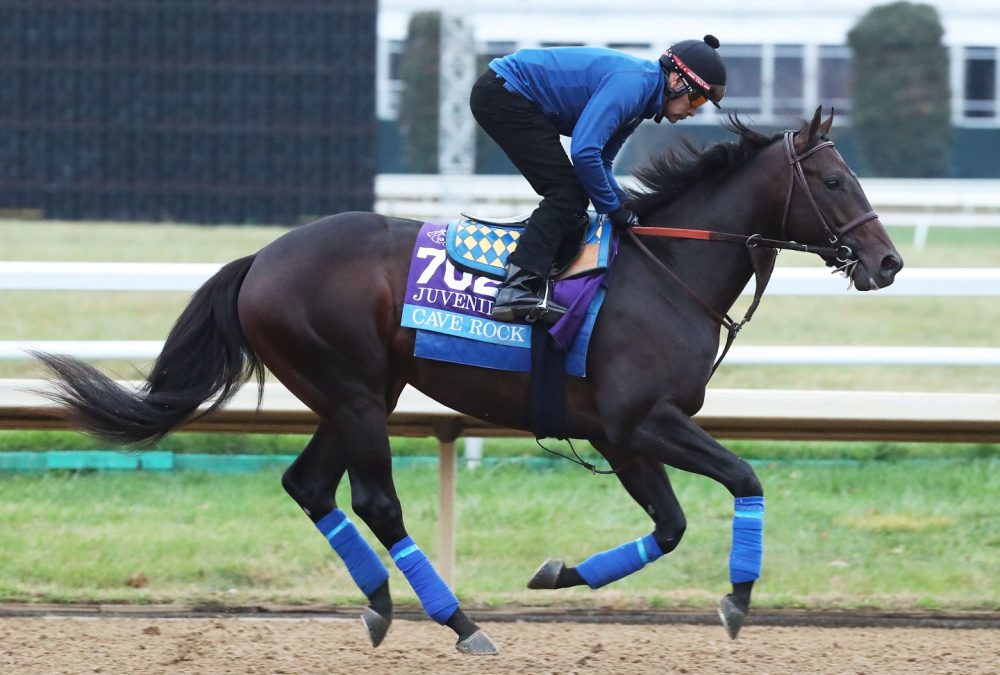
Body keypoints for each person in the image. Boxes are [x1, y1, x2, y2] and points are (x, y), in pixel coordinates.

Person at [470, 35, 727, 323]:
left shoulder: (643, 101)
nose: (695, 110)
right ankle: (516, 289)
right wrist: (612, 208)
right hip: (503, 93)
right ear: (677, 81)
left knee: (574, 195)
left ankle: (542, 281)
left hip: (511, 93)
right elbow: (584, 152)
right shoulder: (633, 87)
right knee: (566, 194)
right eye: (699, 97)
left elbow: (602, 161)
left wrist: (626, 205)